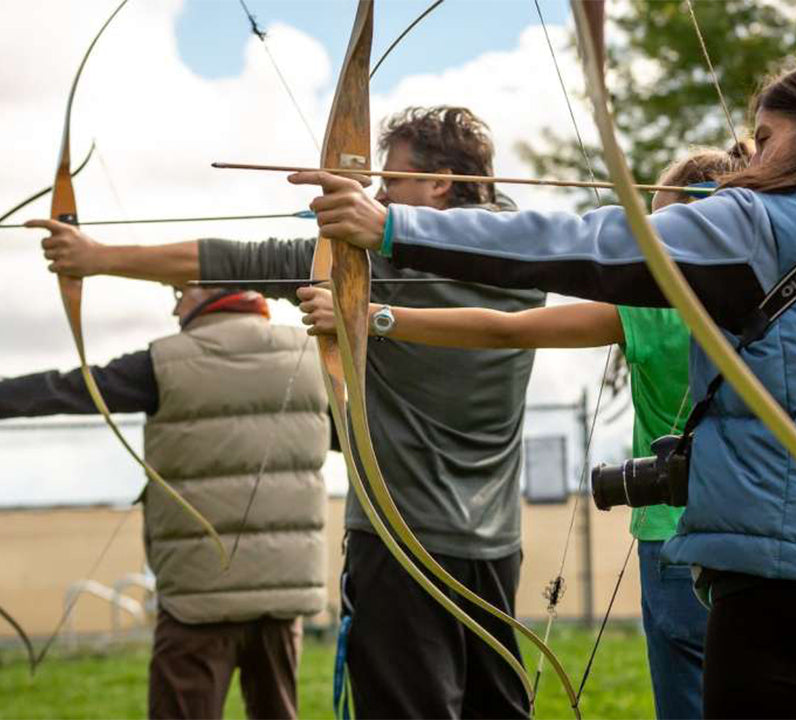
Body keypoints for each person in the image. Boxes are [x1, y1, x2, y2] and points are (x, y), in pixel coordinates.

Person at [293, 50, 796, 718]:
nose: (752, 159)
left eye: (767, 137)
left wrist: (391, 226)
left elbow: (586, 244)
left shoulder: (762, 224)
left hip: (785, 587)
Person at [32, 106, 547, 718]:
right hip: (495, 546)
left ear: (440, 182)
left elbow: (235, 261)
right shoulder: (527, 257)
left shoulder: (377, 265)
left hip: (399, 544)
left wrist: (99, 257)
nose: (380, 195)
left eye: (393, 181)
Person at [299, 145, 749, 719]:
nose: (655, 249)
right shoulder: (787, 295)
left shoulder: (652, 304)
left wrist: (376, 317)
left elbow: (506, 330)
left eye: (665, 226)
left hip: (673, 536)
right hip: (766, 533)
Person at [0, 286, 328, 720]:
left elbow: (60, 390)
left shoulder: (165, 362)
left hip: (198, 599)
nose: (175, 305)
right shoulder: (310, 357)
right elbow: (357, 441)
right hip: (283, 598)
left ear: (207, 291)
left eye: (180, 291)